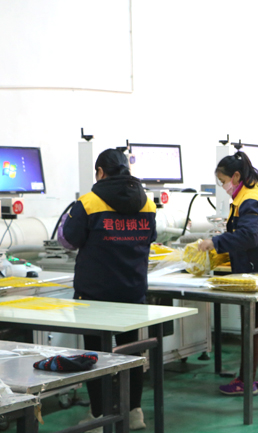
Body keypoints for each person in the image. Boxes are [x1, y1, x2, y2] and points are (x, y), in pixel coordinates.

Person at [58, 149, 156, 432]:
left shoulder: (88, 202)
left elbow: (67, 241)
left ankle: (99, 415)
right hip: (132, 290)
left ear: (100, 172)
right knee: (131, 352)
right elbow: (150, 237)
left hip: (95, 293)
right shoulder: (147, 203)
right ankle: (134, 412)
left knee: (95, 355)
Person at [199, 151, 258, 396]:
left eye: (223, 181)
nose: (223, 186)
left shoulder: (249, 200)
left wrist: (215, 243)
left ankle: (245, 382)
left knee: (253, 326)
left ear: (235, 176)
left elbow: (250, 236)